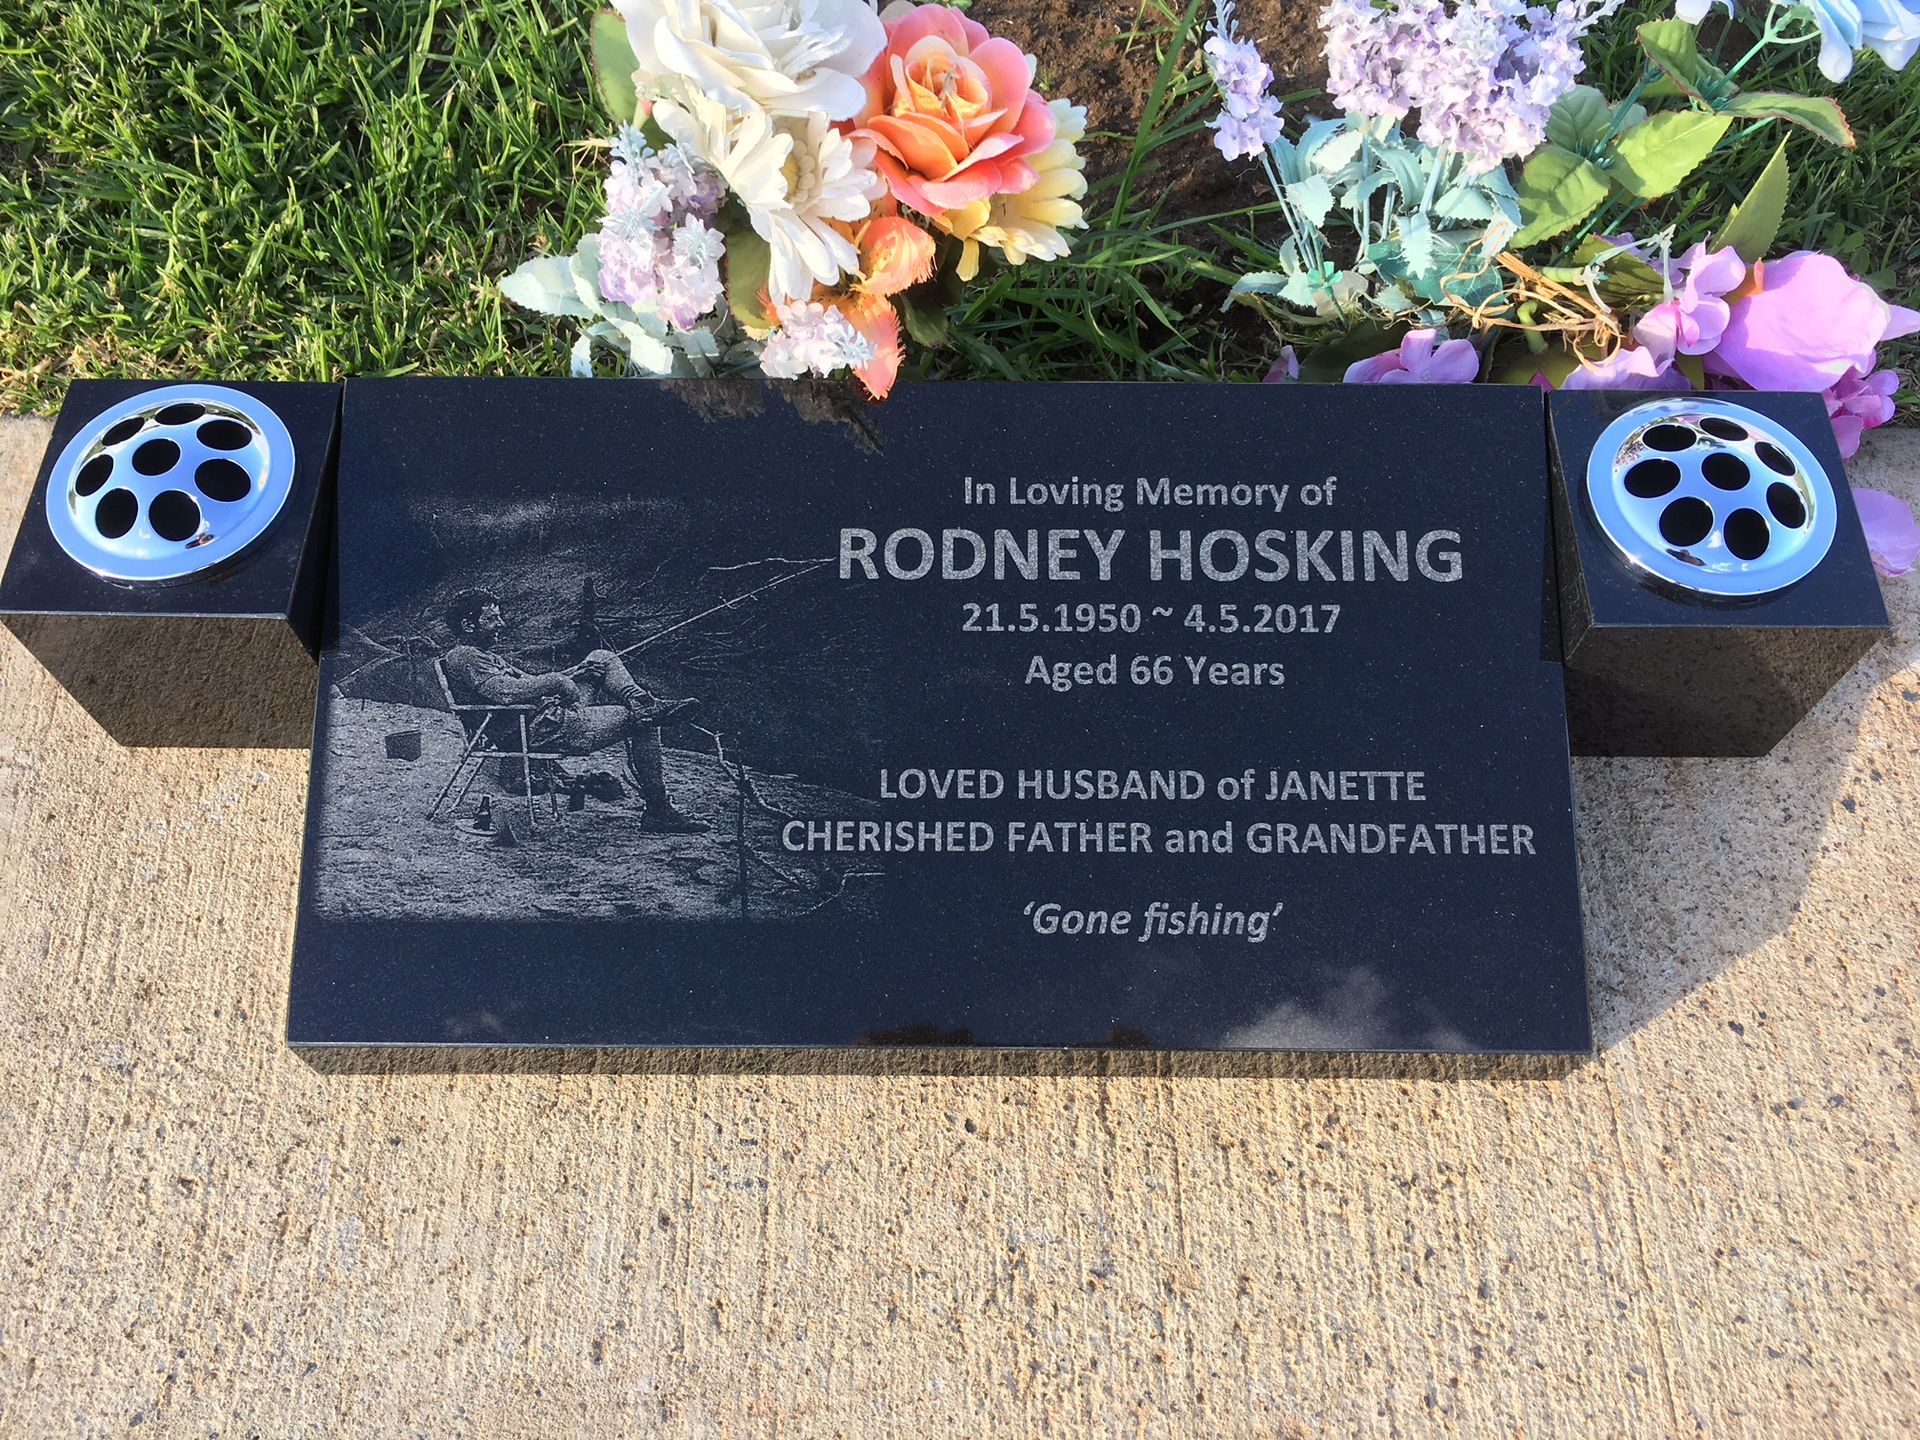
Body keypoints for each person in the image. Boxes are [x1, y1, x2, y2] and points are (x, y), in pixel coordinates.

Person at [441, 588, 710, 833]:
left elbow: (527, 682)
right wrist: (558, 680)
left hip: (546, 718)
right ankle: (659, 810)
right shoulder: (467, 655)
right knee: (644, 721)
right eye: (492, 619)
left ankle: (641, 700)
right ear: (468, 625)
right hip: (540, 730)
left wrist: (575, 673)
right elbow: (505, 692)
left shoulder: (481, 654)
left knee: (601, 658)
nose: (501, 624)